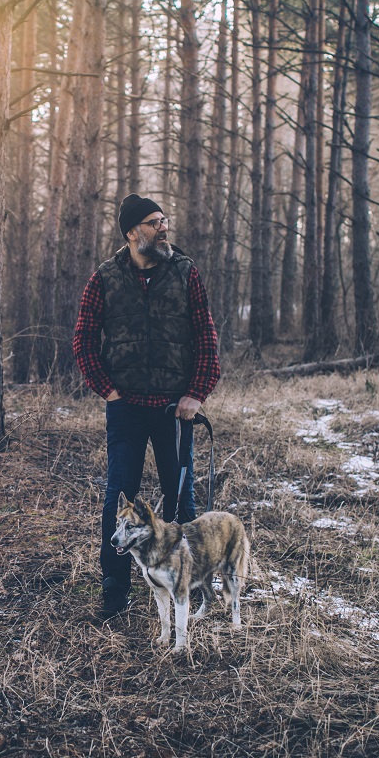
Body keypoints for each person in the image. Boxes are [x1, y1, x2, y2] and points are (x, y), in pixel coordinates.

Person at [72, 192, 221, 617]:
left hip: (175, 409)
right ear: (132, 232)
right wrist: (108, 390)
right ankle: (114, 591)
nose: (164, 227)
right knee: (118, 498)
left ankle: (191, 588)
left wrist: (196, 393)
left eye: (164, 220)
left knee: (181, 501)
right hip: (127, 409)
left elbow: (206, 337)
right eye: (155, 222)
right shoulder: (104, 278)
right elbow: (83, 339)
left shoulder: (184, 272)